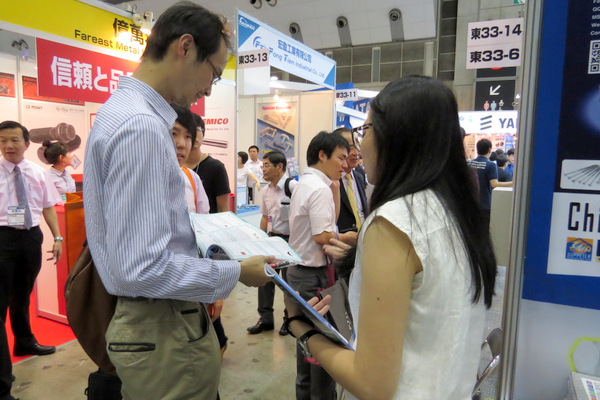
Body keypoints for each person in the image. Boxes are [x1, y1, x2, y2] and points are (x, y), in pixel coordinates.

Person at [83, 3, 272, 399]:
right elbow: (141, 268)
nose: (209, 89)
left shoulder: (124, 113)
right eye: (213, 73)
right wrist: (236, 272)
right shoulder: (142, 127)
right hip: (163, 324)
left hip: (158, 322)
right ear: (185, 47)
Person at [284, 76, 498, 400]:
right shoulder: (458, 213)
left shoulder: (393, 221)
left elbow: (373, 384)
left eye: (365, 130)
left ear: (396, 136)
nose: (358, 147)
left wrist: (302, 328)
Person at [287, 131, 355, 400]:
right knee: (324, 348)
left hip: (300, 271)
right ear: (322, 155)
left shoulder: (307, 183)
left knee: (306, 341)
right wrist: (350, 238)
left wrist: (335, 189)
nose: (345, 164)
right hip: (314, 276)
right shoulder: (318, 188)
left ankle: (305, 394)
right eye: (341, 158)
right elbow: (323, 236)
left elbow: (327, 222)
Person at [0, 120, 63, 400]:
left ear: (27, 144)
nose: (8, 146)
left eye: (14, 140)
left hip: (29, 237)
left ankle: (24, 341)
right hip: (2, 238)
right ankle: (2, 376)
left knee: (22, 294)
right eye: (3, 141)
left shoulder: (37, 172)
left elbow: (48, 206)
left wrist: (57, 238)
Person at [247, 150, 295, 336]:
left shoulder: (293, 187)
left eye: (267, 165)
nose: (263, 169)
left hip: (290, 241)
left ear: (280, 166)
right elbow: (264, 217)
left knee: (289, 283)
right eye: (263, 165)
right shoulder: (266, 191)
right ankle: (265, 319)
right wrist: (261, 240)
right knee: (265, 280)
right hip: (271, 239)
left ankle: (289, 320)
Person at [185, 113, 231, 213]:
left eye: (197, 130)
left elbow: (223, 209)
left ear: (203, 134)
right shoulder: (175, 167)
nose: (193, 135)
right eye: (189, 130)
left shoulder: (216, 167)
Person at [171, 104, 210, 214]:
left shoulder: (192, 178)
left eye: (188, 136)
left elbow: (203, 219)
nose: (182, 144)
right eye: (173, 134)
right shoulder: (143, 179)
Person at [469, 139, 513, 230]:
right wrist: (512, 183)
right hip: (485, 203)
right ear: (489, 150)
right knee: (484, 230)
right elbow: (494, 184)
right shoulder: (491, 165)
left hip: (471, 202)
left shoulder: (470, 163)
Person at [332, 127, 367, 235]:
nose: (356, 153)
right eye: (350, 148)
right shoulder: (331, 180)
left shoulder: (359, 177)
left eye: (357, 146)